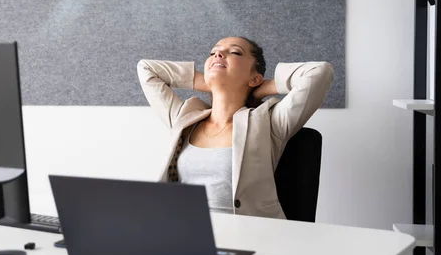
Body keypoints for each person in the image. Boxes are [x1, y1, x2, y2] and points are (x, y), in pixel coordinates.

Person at [137, 37, 333, 219]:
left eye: (235, 52)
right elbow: (146, 68)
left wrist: (263, 87)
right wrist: (207, 81)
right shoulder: (185, 118)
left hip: (244, 237)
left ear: (255, 78)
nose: (218, 55)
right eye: (213, 52)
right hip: (184, 232)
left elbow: (319, 72)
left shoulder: (269, 122)